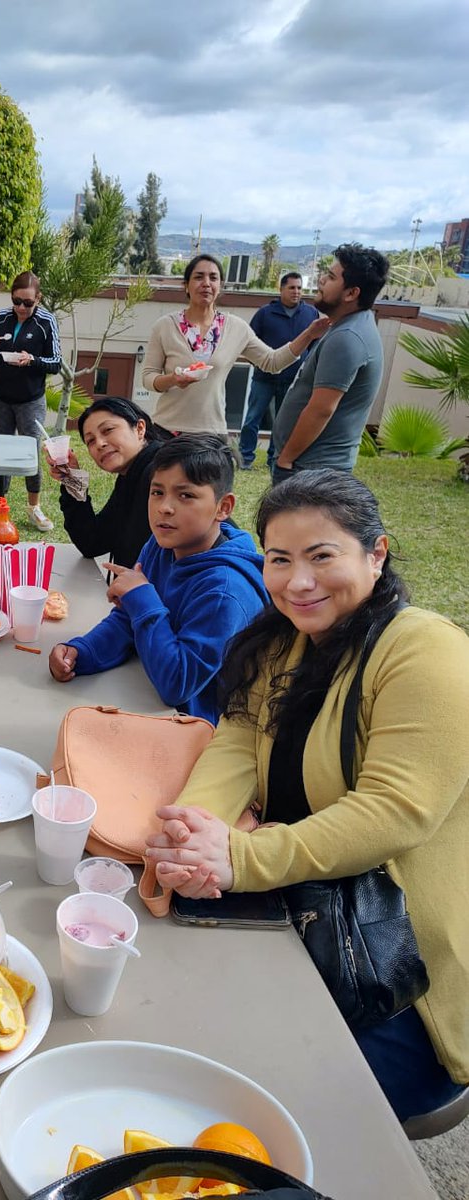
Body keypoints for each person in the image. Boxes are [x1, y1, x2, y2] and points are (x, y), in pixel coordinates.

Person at [145, 471, 469, 1121]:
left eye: (323, 556)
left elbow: (394, 810)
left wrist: (241, 859)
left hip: (397, 979)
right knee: (169, 1032)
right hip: (297, 912)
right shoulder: (286, 641)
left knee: (233, 1112)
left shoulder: (426, 650)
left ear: (376, 553)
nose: (298, 581)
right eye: (280, 559)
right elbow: (237, 736)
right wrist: (194, 831)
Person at [48, 435, 269, 725]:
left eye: (185, 495)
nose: (165, 507)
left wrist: (142, 599)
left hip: (198, 726)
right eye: (157, 492)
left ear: (223, 507)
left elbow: (177, 685)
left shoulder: (224, 592)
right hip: (145, 694)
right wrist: (82, 651)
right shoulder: (160, 546)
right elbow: (128, 619)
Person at [142, 254, 328, 437]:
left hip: (211, 433)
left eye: (213, 278)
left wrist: (308, 334)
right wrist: (173, 379)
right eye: (199, 277)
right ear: (186, 285)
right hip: (166, 431)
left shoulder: (236, 328)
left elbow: (272, 362)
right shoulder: (165, 326)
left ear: (220, 286)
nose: (206, 283)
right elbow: (149, 378)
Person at [272, 243, 390, 484]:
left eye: (331, 277)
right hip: (311, 466)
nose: (322, 280)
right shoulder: (350, 326)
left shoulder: (347, 338)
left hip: (311, 469)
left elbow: (321, 409)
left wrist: (286, 459)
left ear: (351, 293)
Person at [0, 270, 62, 533]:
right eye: (16, 301)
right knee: (0, 453)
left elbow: (56, 362)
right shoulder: (1, 318)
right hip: (1, 396)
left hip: (30, 399)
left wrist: (32, 360)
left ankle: (34, 507)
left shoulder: (47, 322)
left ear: (39, 299)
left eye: (28, 303)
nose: (21, 308)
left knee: (29, 453)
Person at [47, 396, 171, 569]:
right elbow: (92, 542)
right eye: (91, 440)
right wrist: (72, 479)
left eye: (108, 430)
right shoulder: (130, 477)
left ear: (139, 428)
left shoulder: (163, 472)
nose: (100, 444)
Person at [238, 272, 320, 471]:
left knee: (282, 423)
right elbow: (247, 343)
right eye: (292, 288)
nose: (296, 292)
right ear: (281, 289)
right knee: (252, 419)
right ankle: (245, 458)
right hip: (263, 378)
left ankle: (273, 459)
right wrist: (258, 363)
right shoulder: (265, 313)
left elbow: (315, 347)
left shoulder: (310, 315)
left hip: (293, 380)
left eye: (300, 288)